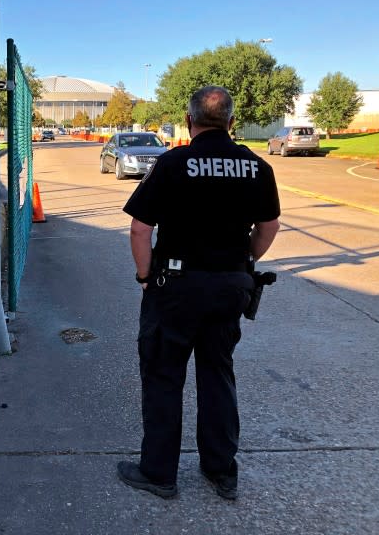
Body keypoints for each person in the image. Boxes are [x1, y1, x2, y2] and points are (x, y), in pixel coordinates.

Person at [116, 86, 280, 500]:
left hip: (176, 287)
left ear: (189, 122)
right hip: (230, 287)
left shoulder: (174, 163)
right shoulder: (256, 167)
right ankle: (221, 471)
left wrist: (143, 276)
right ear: (231, 122)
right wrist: (244, 259)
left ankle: (159, 473)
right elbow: (268, 228)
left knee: (163, 376)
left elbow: (140, 228)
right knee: (218, 374)